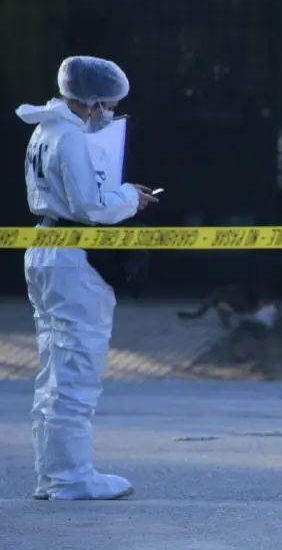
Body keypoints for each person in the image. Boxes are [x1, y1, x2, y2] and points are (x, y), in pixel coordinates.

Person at [16, 55, 158, 500]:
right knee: (76, 367)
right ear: (92, 102)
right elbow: (89, 206)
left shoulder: (44, 130)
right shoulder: (70, 139)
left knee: (54, 369)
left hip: (43, 249)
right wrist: (129, 197)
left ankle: (52, 472)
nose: (111, 113)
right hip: (71, 258)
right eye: (109, 105)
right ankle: (71, 477)